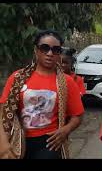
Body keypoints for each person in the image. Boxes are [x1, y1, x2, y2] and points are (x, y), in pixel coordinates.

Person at [0, 30, 84, 159]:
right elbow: (3, 113)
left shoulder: (67, 82)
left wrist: (66, 130)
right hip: (18, 139)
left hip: (50, 142)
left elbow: (77, 116)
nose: (50, 53)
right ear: (36, 50)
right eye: (45, 48)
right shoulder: (17, 78)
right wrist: (4, 144)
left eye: (56, 50)